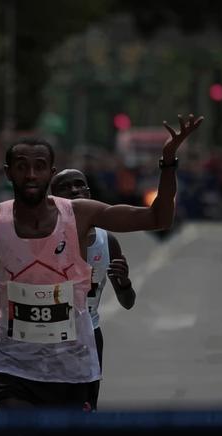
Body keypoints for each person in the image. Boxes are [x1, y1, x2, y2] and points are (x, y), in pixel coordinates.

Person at [0, 86, 203, 410]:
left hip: (74, 368)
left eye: (39, 166)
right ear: (8, 173)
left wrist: (168, 161)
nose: (30, 174)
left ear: (51, 172)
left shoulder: (80, 214)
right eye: (21, 166)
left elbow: (158, 218)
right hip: (14, 367)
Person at [50, 168, 136, 410]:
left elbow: (127, 301)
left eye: (79, 185)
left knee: (85, 409)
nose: (75, 190)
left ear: (89, 192)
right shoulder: (42, 237)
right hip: (47, 335)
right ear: (53, 198)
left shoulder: (107, 241)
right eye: (65, 187)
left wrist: (124, 282)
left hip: (89, 335)